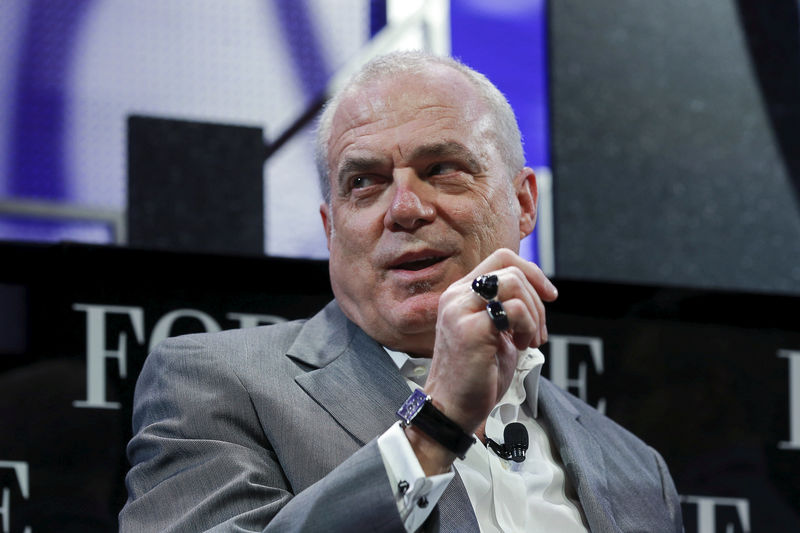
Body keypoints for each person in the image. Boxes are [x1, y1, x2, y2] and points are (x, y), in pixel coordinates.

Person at [120, 51, 683, 532]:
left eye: (442, 168)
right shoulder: (217, 387)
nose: (405, 210)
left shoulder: (636, 468)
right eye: (363, 183)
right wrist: (436, 424)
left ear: (525, 202)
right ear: (330, 228)